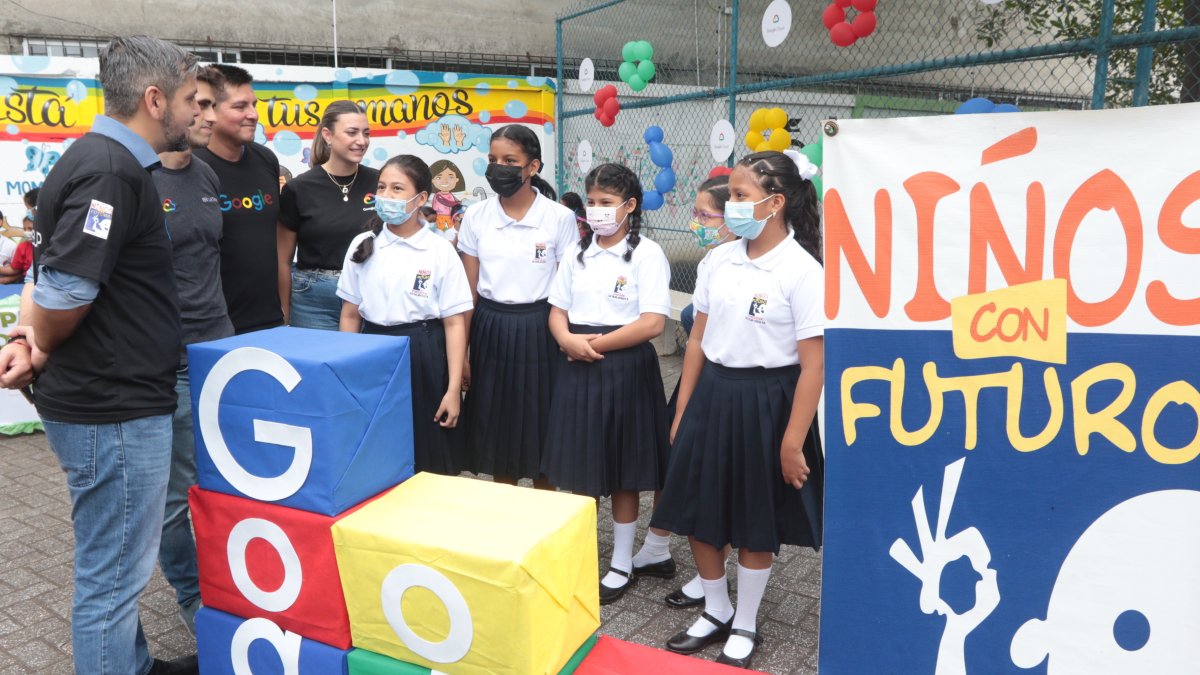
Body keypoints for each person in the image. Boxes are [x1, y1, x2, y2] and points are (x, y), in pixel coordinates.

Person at [0, 36, 201, 675]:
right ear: (153, 99)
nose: (197, 111)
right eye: (190, 99)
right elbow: (65, 290)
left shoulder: (102, 161)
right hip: (110, 408)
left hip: (110, 398)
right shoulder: (110, 171)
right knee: (112, 580)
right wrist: (38, 342)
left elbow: (52, 274)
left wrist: (29, 337)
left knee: (116, 569)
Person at [651, 149, 824, 669]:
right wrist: (682, 410)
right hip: (711, 395)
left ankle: (746, 621)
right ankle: (717, 607)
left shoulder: (802, 270)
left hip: (768, 403)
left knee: (754, 519)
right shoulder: (718, 260)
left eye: (742, 197)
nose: (733, 207)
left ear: (775, 204)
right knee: (698, 511)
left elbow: (813, 367)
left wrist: (793, 441)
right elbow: (698, 338)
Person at [541, 163, 672, 604]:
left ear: (630, 206)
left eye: (607, 203)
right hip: (577, 361)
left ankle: (621, 561)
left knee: (623, 469)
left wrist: (594, 345)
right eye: (591, 202)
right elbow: (557, 309)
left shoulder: (647, 254)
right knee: (581, 465)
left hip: (624, 367)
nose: (596, 211)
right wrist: (565, 339)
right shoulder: (577, 253)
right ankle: (580, 554)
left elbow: (653, 322)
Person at [152, 64, 234, 637]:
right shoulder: (134, 178)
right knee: (178, 497)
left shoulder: (206, 175)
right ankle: (195, 603)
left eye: (212, 105)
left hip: (220, 355)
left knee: (223, 486)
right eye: (197, 104)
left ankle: (229, 589)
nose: (206, 116)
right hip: (170, 364)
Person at [456, 124, 578, 486]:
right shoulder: (477, 217)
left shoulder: (559, 218)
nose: (499, 168)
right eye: (493, 160)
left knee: (543, 424)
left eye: (510, 160)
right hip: (490, 327)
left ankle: (542, 514)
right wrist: (462, 353)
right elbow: (468, 293)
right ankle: (505, 517)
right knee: (497, 425)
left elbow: (566, 288)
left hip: (542, 326)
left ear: (532, 167)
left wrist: (566, 337)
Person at [337, 155, 472, 474]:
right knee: (378, 452)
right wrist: (348, 372)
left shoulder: (439, 250)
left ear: (421, 198)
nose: (386, 195)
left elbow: (454, 324)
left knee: (428, 452)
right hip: (372, 353)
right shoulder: (363, 245)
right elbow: (350, 316)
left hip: (423, 353)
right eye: (382, 187)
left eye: (398, 188)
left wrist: (453, 391)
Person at [639, 173, 736, 611]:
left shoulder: (752, 266)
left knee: (723, 479)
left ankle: (711, 573)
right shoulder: (711, 261)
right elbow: (696, 333)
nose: (695, 222)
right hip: (696, 377)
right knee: (672, 456)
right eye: (695, 212)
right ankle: (658, 543)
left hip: (729, 384)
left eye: (704, 214)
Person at [194, 64, 284, 334]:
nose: (253, 115)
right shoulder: (195, 167)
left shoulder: (265, 159)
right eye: (240, 106)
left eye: (254, 105)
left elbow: (276, 243)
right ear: (211, 111)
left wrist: (283, 311)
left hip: (269, 322)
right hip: (217, 327)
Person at [277, 100, 378, 330]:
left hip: (368, 293)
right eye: (352, 133)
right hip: (313, 301)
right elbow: (283, 260)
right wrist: (283, 316)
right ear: (327, 135)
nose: (361, 141)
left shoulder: (379, 182)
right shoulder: (299, 188)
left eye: (366, 133)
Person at [429, 158, 465, 233]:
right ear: (432, 180)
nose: (445, 181)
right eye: (439, 177)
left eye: (450, 177)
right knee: (443, 233)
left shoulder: (451, 195)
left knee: (450, 233)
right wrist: (457, 203)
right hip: (441, 218)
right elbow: (447, 203)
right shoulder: (438, 195)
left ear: (456, 179)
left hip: (450, 219)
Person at [0, 216, 35, 284]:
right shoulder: (22, 246)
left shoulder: (49, 245)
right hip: (26, 282)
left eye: (30, 229)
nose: (27, 232)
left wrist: (5, 280)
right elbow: (16, 269)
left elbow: (18, 272)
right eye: (24, 229)